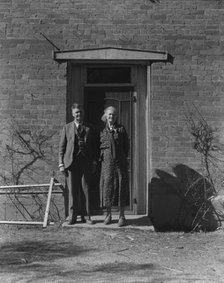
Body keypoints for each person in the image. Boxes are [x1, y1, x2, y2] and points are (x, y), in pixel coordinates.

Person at [58, 103, 97, 225]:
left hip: (85, 162)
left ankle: (86, 216)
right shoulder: (67, 128)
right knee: (72, 191)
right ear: (72, 114)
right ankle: (72, 217)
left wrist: (94, 161)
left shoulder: (89, 128)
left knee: (85, 189)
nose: (79, 114)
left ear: (83, 113)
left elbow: (94, 147)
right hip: (71, 163)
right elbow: (61, 147)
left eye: (80, 112)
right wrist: (61, 164)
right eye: (76, 112)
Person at [100, 106, 129, 227]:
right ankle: (108, 215)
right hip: (107, 164)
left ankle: (122, 216)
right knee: (107, 187)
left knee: (121, 185)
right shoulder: (101, 131)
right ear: (106, 116)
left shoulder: (121, 129)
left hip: (119, 163)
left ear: (116, 117)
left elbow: (126, 146)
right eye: (109, 114)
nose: (111, 117)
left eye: (113, 115)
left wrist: (121, 158)